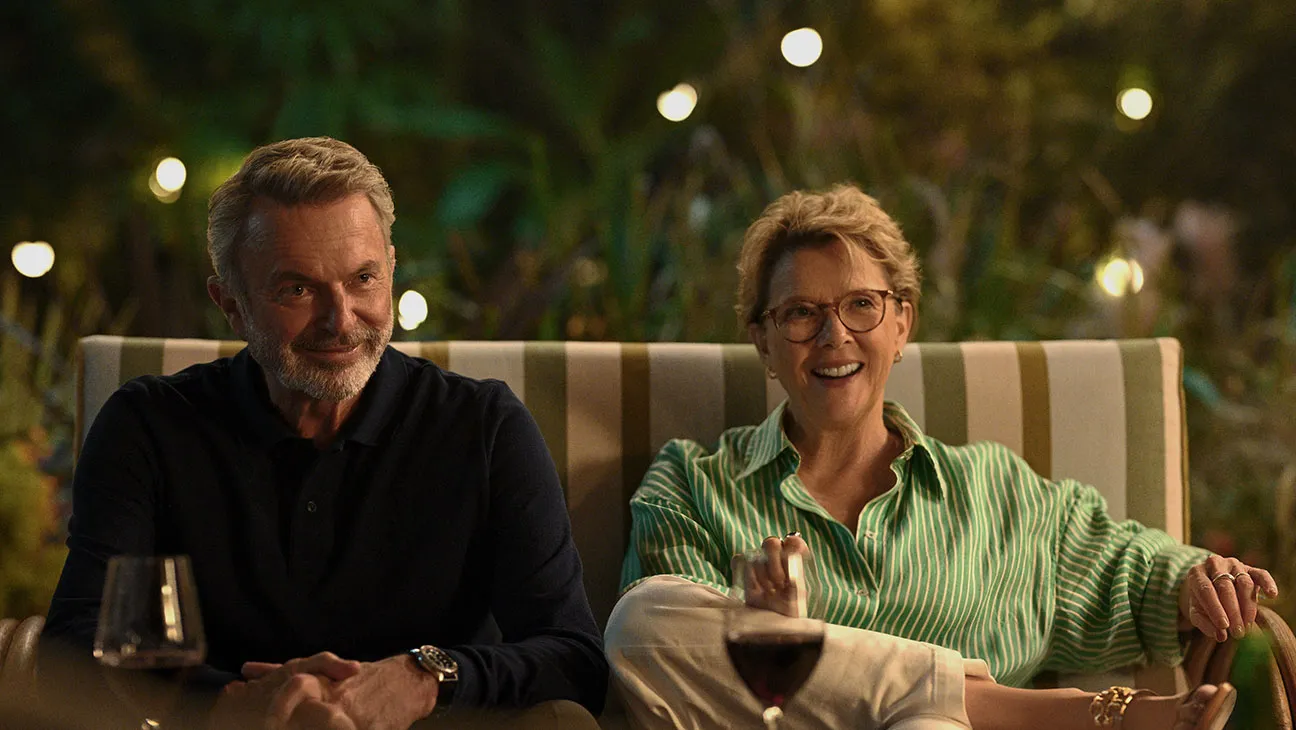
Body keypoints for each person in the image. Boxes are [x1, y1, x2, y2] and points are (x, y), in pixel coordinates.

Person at [605, 184, 1277, 730]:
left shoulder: (995, 493)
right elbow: (674, 685)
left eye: (861, 306)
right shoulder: (693, 483)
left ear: (903, 325)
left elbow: (1129, 571)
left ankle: (947, 708)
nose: (834, 334)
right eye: (802, 314)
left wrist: (1200, 581)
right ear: (763, 341)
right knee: (640, 619)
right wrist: (772, 631)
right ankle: (1009, 708)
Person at [41, 136, 608, 730]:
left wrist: (424, 678)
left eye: (363, 278)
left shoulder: (484, 426)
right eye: (298, 289)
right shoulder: (148, 426)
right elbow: (74, 647)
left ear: (391, 267)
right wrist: (231, 702)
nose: (341, 321)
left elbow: (574, 660)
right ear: (229, 304)